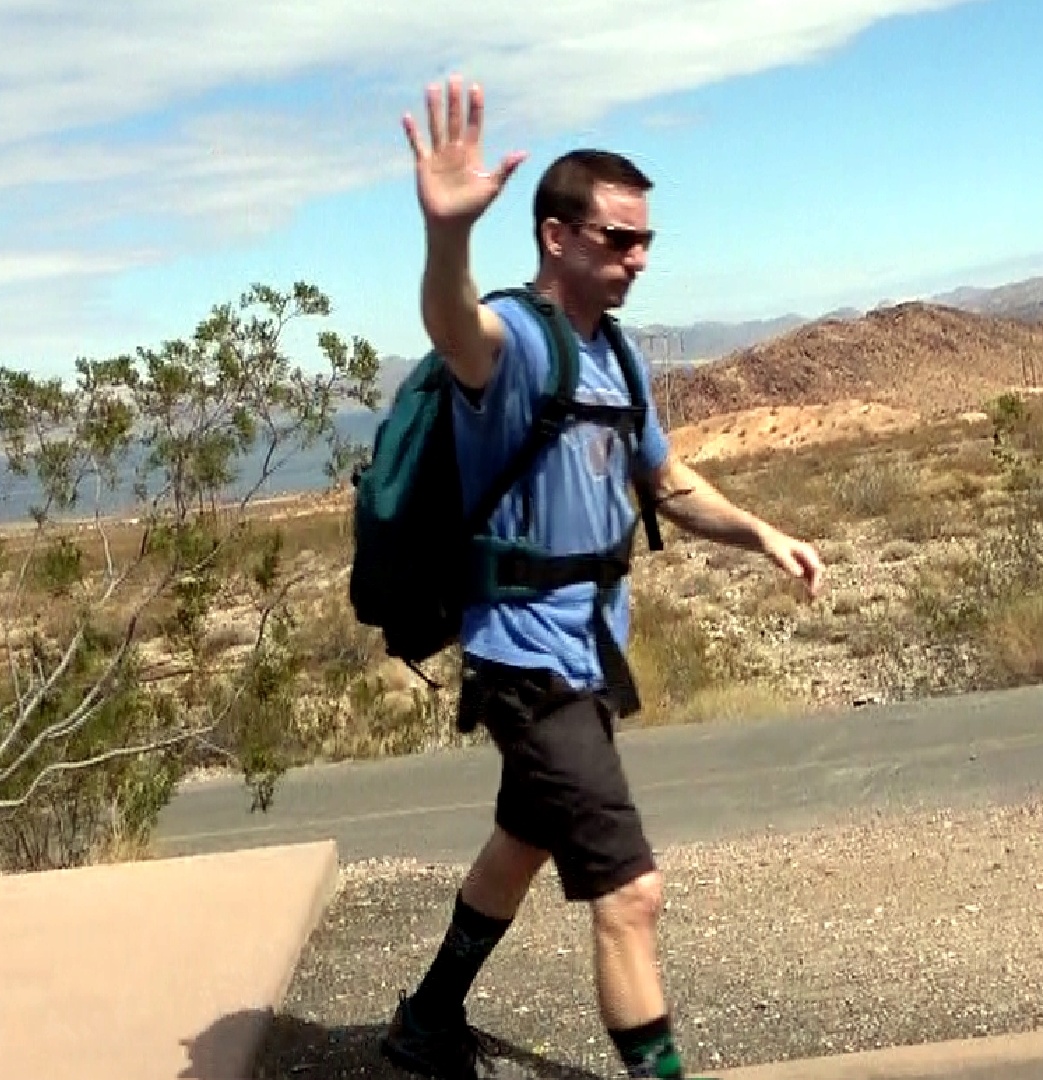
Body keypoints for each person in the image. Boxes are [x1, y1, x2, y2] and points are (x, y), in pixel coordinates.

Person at [380, 74, 826, 1080]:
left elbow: (666, 483)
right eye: (619, 238)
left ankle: (426, 1023)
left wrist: (763, 534)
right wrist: (446, 235)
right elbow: (454, 325)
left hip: (588, 655)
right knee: (631, 895)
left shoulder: (618, 359)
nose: (638, 257)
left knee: (523, 839)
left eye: (645, 240)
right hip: (525, 664)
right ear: (556, 237)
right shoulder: (512, 348)